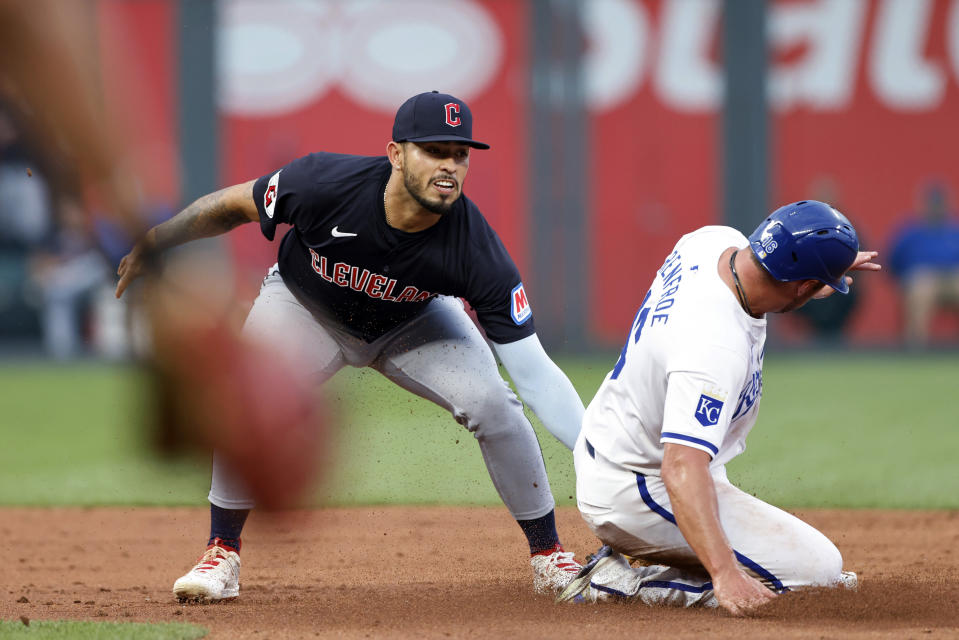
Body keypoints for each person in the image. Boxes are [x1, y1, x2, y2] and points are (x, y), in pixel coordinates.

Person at [114, 91, 587, 602]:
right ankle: (221, 552)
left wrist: (598, 452)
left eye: (460, 154)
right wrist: (157, 239)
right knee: (241, 397)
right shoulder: (324, 183)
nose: (449, 165)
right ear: (396, 154)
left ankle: (549, 556)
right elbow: (232, 206)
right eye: (434, 150)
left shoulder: (476, 250)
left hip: (415, 321)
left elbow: (534, 374)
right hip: (305, 306)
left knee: (495, 404)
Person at [555, 201, 881, 615]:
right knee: (817, 574)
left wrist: (818, 265)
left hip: (617, 441)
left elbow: (779, 268)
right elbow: (681, 468)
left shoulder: (714, 242)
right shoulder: (713, 346)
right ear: (803, 286)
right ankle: (617, 583)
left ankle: (675, 555)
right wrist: (724, 571)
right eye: (819, 283)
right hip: (637, 487)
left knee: (809, 571)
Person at [888, 181, 959, 347]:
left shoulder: (954, 229)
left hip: (952, 279)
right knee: (922, 286)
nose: (936, 207)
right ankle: (916, 347)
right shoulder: (910, 231)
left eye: (939, 203)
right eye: (933, 203)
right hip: (923, 281)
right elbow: (893, 262)